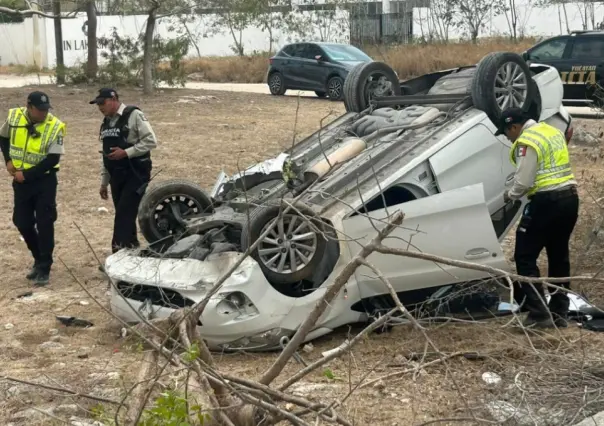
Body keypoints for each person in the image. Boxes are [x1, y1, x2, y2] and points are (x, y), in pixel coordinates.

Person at [496, 107, 579, 329]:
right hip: (570, 198)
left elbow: (523, 182)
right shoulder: (551, 131)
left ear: (514, 127)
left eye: (506, 133)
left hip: (546, 202)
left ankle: (539, 314)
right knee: (559, 254)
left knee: (524, 256)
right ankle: (560, 312)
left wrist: (509, 195)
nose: (507, 137)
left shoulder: (528, 140)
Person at [0, 91, 66, 286]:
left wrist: (26, 174)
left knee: (45, 223)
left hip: (44, 181)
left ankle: (45, 266)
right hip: (21, 182)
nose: (44, 113)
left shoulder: (56, 127)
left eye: (46, 109)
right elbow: (3, 138)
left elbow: (53, 159)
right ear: (29, 107)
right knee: (22, 222)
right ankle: (38, 258)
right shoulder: (14, 117)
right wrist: (8, 161)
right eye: (40, 110)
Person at [89, 88, 157, 257]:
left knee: (123, 214)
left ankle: (118, 254)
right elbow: (107, 154)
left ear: (114, 99)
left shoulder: (133, 115)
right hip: (116, 175)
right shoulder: (106, 122)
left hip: (136, 173)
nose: (100, 107)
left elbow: (151, 141)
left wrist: (126, 152)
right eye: (97, 104)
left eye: (102, 103)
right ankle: (131, 247)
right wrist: (104, 182)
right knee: (124, 213)